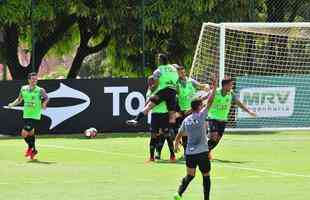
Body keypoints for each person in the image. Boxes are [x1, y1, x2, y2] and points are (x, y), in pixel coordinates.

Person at [173, 96, 213, 200]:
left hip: (190, 154)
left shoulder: (186, 120)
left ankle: (178, 193)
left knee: (190, 175)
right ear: (199, 107)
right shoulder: (201, 116)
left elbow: (179, 134)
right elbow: (210, 102)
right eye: (201, 105)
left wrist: (176, 144)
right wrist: (213, 90)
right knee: (206, 176)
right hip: (202, 152)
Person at [126, 53, 179, 126]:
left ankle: (136, 119)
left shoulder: (158, 71)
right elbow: (176, 78)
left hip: (164, 91)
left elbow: (156, 85)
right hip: (173, 91)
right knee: (172, 114)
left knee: (149, 106)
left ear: (160, 61)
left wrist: (152, 91)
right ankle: (171, 131)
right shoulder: (173, 68)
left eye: (158, 60)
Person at [207, 77, 256, 153]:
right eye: (230, 85)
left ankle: (206, 151)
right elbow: (208, 101)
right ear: (225, 85)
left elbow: (239, 103)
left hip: (223, 120)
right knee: (214, 136)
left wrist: (249, 111)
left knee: (217, 139)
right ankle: (201, 152)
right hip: (212, 118)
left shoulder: (231, 93)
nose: (232, 86)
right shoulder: (215, 92)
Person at [8, 73, 49, 160]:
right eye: (33, 79)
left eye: (36, 79)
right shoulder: (23, 88)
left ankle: (30, 148)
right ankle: (33, 150)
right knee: (30, 134)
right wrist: (12, 104)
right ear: (29, 80)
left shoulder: (40, 90)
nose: (35, 81)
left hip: (35, 115)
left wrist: (44, 104)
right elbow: (19, 99)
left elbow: (46, 97)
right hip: (26, 114)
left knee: (24, 133)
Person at [175, 64, 209, 157]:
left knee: (201, 129)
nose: (182, 74)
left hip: (194, 110)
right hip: (184, 111)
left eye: (183, 72)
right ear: (177, 73)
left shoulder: (190, 81)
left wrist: (206, 86)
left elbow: (202, 86)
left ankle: (205, 150)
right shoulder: (176, 83)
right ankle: (186, 151)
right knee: (185, 133)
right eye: (180, 72)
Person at [146, 76, 175, 162]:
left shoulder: (161, 89)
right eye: (149, 81)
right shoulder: (149, 91)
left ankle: (172, 155)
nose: (150, 83)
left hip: (164, 114)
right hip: (154, 115)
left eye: (151, 81)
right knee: (153, 135)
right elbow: (148, 101)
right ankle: (151, 157)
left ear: (156, 82)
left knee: (167, 135)